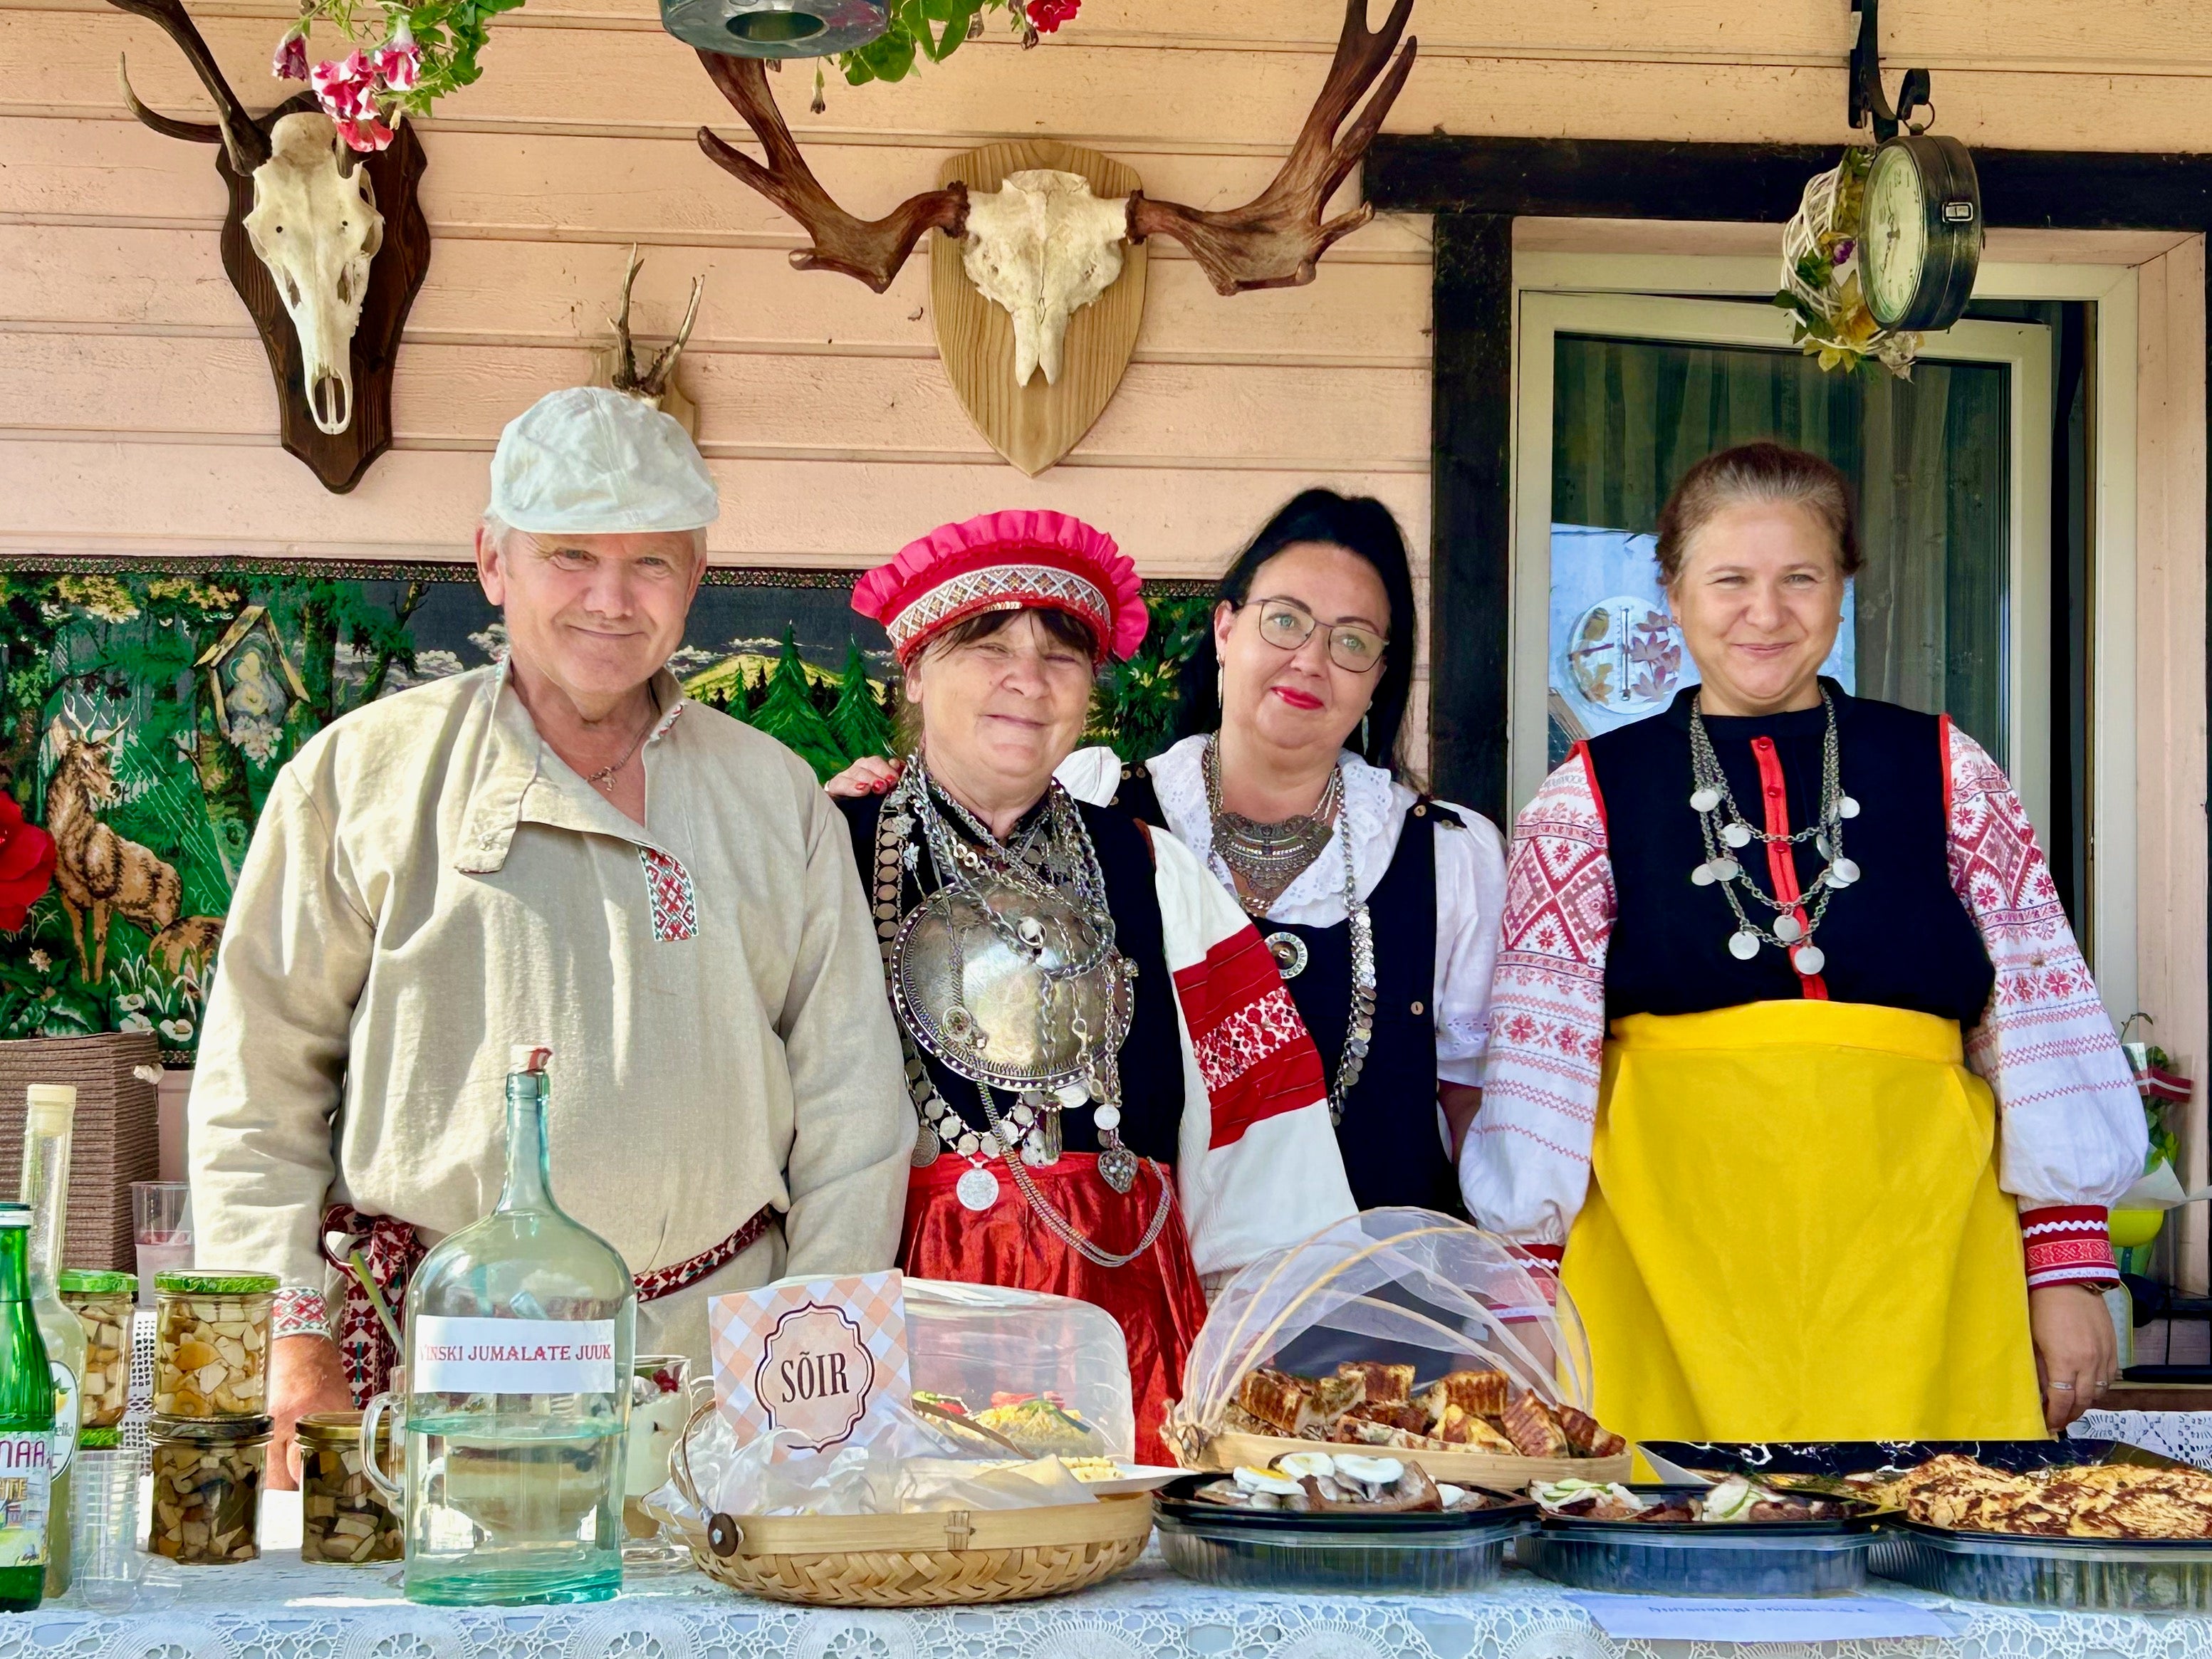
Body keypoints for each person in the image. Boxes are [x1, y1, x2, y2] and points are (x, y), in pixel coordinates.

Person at [191, 387, 914, 1486]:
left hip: (716, 1382)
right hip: (431, 1374)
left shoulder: (774, 799)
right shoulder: (359, 779)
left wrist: (808, 1359)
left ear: (696, 577)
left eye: (652, 563)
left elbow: (853, 1109)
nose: (610, 599)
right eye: (569, 554)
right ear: (493, 561)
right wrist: (290, 1340)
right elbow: (257, 1092)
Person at [1461, 441, 2146, 1443]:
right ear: (1674, 591)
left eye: (1799, 578)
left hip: (1923, 1245)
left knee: (1927, 1543)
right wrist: (1525, 1295)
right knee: (1671, 1552)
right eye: (1728, 579)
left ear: (1841, 590)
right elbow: (1536, 1060)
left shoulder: (1950, 769)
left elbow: (2036, 1017)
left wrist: (2064, 1263)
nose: (1764, 612)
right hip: (1665, 1258)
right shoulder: (1585, 799)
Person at [841, 508, 1357, 1459]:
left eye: (1062, 656)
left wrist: (1267, 1369)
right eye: (986, 644)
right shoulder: (826, 856)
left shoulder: (1155, 872)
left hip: (1132, 1355)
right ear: (912, 669)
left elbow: (1262, 1137)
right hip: (899, 1351)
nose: (1026, 681)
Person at [835, 491, 1508, 1214]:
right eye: (1284, 620)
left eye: (1351, 640)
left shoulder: (1444, 855)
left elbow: (1475, 1105)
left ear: (1381, 672)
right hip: (1107, 1281)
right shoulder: (1108, 810)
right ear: (1225, 628)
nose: (1310, 659)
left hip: (1373, 1284)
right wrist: (845, 820)